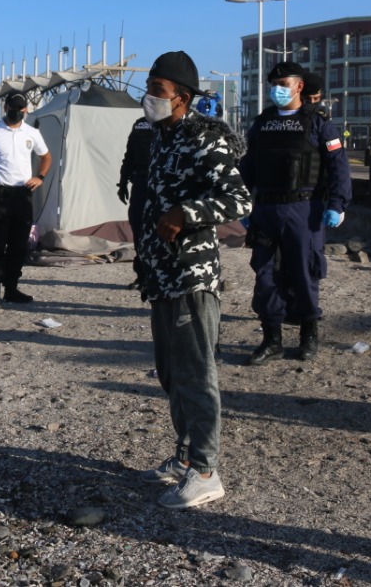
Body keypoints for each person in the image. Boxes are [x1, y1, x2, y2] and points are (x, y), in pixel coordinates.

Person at [136, 51, 252, 510]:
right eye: (148, 87)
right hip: (162, 273)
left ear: (181, 97)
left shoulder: (206, 140)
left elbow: (239, 200)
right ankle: (185, 458)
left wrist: (188, 213)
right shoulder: (164, 137)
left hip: (191, 273)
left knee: (196, 372)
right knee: (170, 372)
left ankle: (205, 470)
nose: (148, 96)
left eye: (157, 90)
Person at [239, 61, 352, 365]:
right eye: (273, 83)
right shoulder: (262, 124)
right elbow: (248, 166)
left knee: (304, 273)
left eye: (283, 83)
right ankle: (271, 339)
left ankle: (308, 336)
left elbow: (339, 167)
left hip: (304, 209)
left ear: (299, 86)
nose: (277, 89)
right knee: (265, 275)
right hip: (265, 209)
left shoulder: (319, 125)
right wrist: (241, 203)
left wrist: (337, 204)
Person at [0, 91, 51, 310]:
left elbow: (46, 156)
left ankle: (12, 289)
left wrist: (40, 177)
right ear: (5, 108)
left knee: (19, 245)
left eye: (20, 109)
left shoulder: (31, 132)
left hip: (22, 195)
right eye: (12, 108)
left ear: (25, 110)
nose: (16, 112)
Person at [117, 116, 154, 290]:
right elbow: (129, 155)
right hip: (140, 182)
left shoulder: (175, 123)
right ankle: (142, 275)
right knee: (138, 229)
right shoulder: (141, 124)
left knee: (159, 232)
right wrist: (123, 183)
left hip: (162, 185)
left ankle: (159, 277)